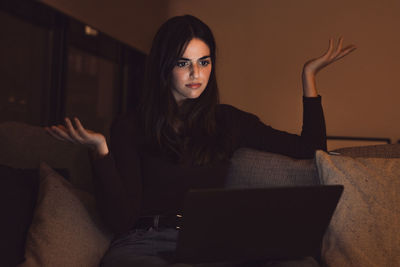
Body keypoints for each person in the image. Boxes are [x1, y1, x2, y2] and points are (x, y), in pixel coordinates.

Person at [46, 15, 356, 267]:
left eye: (204, 62)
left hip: (210, 244)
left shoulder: (228, 121)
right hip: (144, 245)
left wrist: (309, 76)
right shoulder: (130, 126)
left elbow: (311, 150)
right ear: (164, 68)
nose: (197, 73)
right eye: (184, 63)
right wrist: (100, 151)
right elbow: (121, 219)